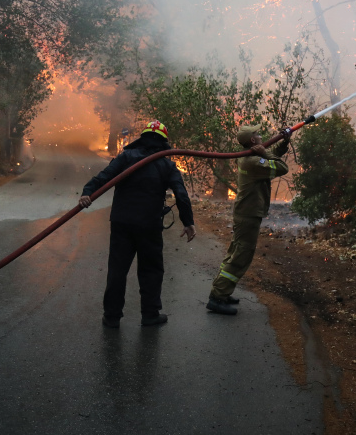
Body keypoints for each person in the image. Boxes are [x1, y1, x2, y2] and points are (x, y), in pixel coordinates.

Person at [79, 120, 196, 327]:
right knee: (151, 270)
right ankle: (150, 315)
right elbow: (181, 194)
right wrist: (188, 222)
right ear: (163, 142)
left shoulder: (126, 157)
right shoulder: (167, 165)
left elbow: (104, 177)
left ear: (141, 138)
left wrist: (87, 192)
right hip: (149, 226)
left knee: (117, 269)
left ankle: (112, 316)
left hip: (121, 223)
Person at [206, 124, 290, 315]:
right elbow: (281, 167)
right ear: (253, 141)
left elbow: (269, 156)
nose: (261, 136)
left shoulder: (247, 157)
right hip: (248, 215)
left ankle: (222, 291)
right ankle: (217, 297)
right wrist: (267, 153)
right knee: (241, 256)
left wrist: (284, 142)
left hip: (245, 213)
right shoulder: (251, 162)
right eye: (258, 134)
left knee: (235, 252)